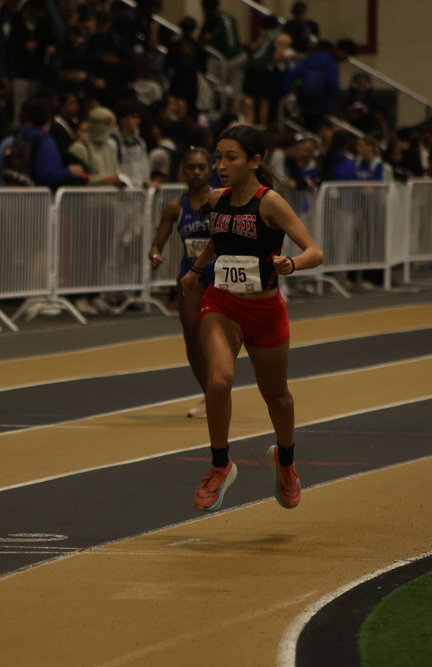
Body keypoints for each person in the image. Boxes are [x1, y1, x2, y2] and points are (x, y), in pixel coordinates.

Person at [179, 124, 324, 512]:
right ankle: (220, 465)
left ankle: (286, 463)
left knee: (276, 395)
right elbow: (219, 238)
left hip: (265, 311)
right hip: (222, 304)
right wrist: (196, 270)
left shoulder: (270, 203)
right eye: (219, 158)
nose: (221, 166)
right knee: (218, 380)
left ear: (254, 161)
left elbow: (315, 251)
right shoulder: (217, 198)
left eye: (231, 158)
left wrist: (291, 263)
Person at [149, 147, 215, 419]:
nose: (196, 172)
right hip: (190, 275)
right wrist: (155, 254)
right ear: (183, 171)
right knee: (191, 331)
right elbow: (157, 242)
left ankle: (220, 382)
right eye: (191, 168)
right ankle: (210, 394)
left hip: (221, 273)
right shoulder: (175, 207)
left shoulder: (221, 200)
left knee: (221, 332)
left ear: (210, 170)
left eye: (201, 167)